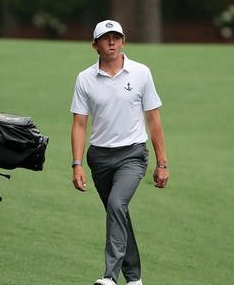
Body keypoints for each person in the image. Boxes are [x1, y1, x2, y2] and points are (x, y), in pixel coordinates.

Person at [70, 20, 170, 285]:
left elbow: (154, 120)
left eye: (116, 37)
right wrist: (77, 164)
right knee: (118, 213)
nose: (112, 42)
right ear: (95, 45)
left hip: (132, 155)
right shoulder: (85, 78)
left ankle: (109, 277)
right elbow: (79, 123)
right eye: (106, 38)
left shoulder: (141, 73)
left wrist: (162, 163)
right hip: (99, 158)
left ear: (124, 41)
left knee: (116, 205)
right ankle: (135, 279)